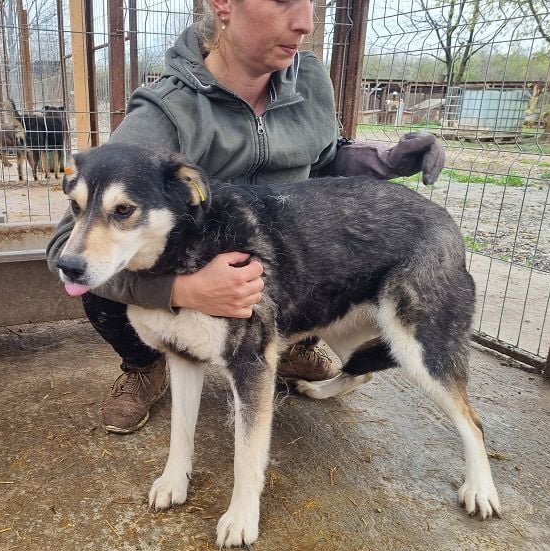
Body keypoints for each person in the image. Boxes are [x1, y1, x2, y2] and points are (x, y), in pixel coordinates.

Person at [46, 0, 445, 434]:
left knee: (317, 250)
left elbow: (326, 159)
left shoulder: (310, 81)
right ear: (223, 5)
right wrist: (184, 290)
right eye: (284, 2)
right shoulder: (165, 113)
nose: (306, 22)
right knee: (94, 273)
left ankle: (289, 341)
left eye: (313, 4)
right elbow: (66, 245)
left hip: (274, 269)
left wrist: (386, 161)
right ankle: (145, 364)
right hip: (195, 264)